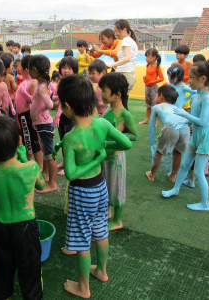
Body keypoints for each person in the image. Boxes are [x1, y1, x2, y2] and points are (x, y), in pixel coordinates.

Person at [53, 75, 133, 298]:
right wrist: (101, 145)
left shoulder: (71, 137)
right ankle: (101, 271)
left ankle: (83, 287)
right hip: (100, 188)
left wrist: (96, 159)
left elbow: (71, 173)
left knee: (81, 241)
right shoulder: (102, 123)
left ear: (67, 106)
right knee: (100, 231)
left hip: (82, 192)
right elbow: (126, 142)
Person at [0, 114, 45, 300]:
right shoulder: (30, 168)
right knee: (31, 275)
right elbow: (41, 185)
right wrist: (24, 160)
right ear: (18, 140)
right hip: (26, 230)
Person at [162, 59, 209, 211]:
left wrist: (183, 114)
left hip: (206, 136)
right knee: (184, 164)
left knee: (199, 172)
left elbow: (203, 121)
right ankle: (175, 189)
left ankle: (205, 204)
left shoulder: (207, 98)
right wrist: (184, 122)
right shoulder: (195, 96)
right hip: (197, 134)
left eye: (192, 77)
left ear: (203, 79)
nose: (189, 80)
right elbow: (195, 120)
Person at [98, 73, 138, 231]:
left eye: (104, 90)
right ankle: (107, 212)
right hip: (104, 157)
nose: (101, 93)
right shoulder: (108, 108)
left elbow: (134, 135)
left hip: (115, 159)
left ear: (117, 94)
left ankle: (117, 220)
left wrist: (115, 139)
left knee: (116, 188)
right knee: (105, 186)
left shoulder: (124, 114)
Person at [146, 85, 190, 183]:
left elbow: (151, 128)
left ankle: (152, 175)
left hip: (171, 128)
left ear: (161, 96)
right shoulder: (177, 108)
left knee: (158, 152)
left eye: (156, 95)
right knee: (177, 152)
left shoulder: (156, 107)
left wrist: (152, 144)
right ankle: (172, 176)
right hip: (185, 129)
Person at [29, 54, 57, 193]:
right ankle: (46, 175)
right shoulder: (43, 84)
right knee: (46, 151)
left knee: (49, 155)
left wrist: (40, 111)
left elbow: (50, 104)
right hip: (41, 124)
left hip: (44, 124)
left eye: (29, 69)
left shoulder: (41, 87)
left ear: (34, 70)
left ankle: (52, 183)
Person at [15, 55, 43, 169]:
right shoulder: (28, 82)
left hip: (27, 116)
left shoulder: (31, 83)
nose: (19, 70)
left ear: (26, 70)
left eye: (20, 68)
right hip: (24, 116)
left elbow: (36, 101)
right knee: (29, 142)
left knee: (31, 141)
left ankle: (38, 166)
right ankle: (31, 163)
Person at [54, 56, 79, 175]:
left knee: (69, 141)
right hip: (63, 115)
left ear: (75, 69)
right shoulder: (61, 82)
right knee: (63, 139)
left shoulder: (73, 83)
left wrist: (57, 114)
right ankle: (65, 161)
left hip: (71, 115)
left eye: (70, 68)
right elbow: (57, 97)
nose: (67, 70)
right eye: (64, 68)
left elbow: (64, 100)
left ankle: (70, 164)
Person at [106, 20, 138, 97]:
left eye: (116, 31)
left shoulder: (126, 40)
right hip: (129, 75)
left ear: (124, 30)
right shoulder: (131, 41)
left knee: (120, 103)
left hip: (124, 75)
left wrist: (112, 65)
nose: (115, 34)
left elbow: (127, 58)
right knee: (122, 102)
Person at [139, 48, 164, 125]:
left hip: (153, 87)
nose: (146, 58)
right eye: (146, 56)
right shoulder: (148, 65)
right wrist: (145, 77)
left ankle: (156, 121)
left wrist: (153, 81)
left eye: (148, 56)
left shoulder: (157, 67)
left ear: (154, 57)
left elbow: (161, 78)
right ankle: (146, 119)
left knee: (154, 104)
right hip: (147, 87)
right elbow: (149, 75)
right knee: (148, 104)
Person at [172, 44, 193, 112]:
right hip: (176, 87)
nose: (177, 56)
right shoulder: (174, 64)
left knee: (186, 105)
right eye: (177, 54)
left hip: (186, 87)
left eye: (180, 54)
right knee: (176, 102)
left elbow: (191, 76)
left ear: (186, 55)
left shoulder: (189, 64)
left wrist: (183, 78)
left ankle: (186, 118)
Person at [1, 53, 17, 118]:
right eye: (11, 65)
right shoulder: (10, 77)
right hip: (11, 99)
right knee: (12, 118)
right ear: (8, 67)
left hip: (1, 101)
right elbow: (15, 89)